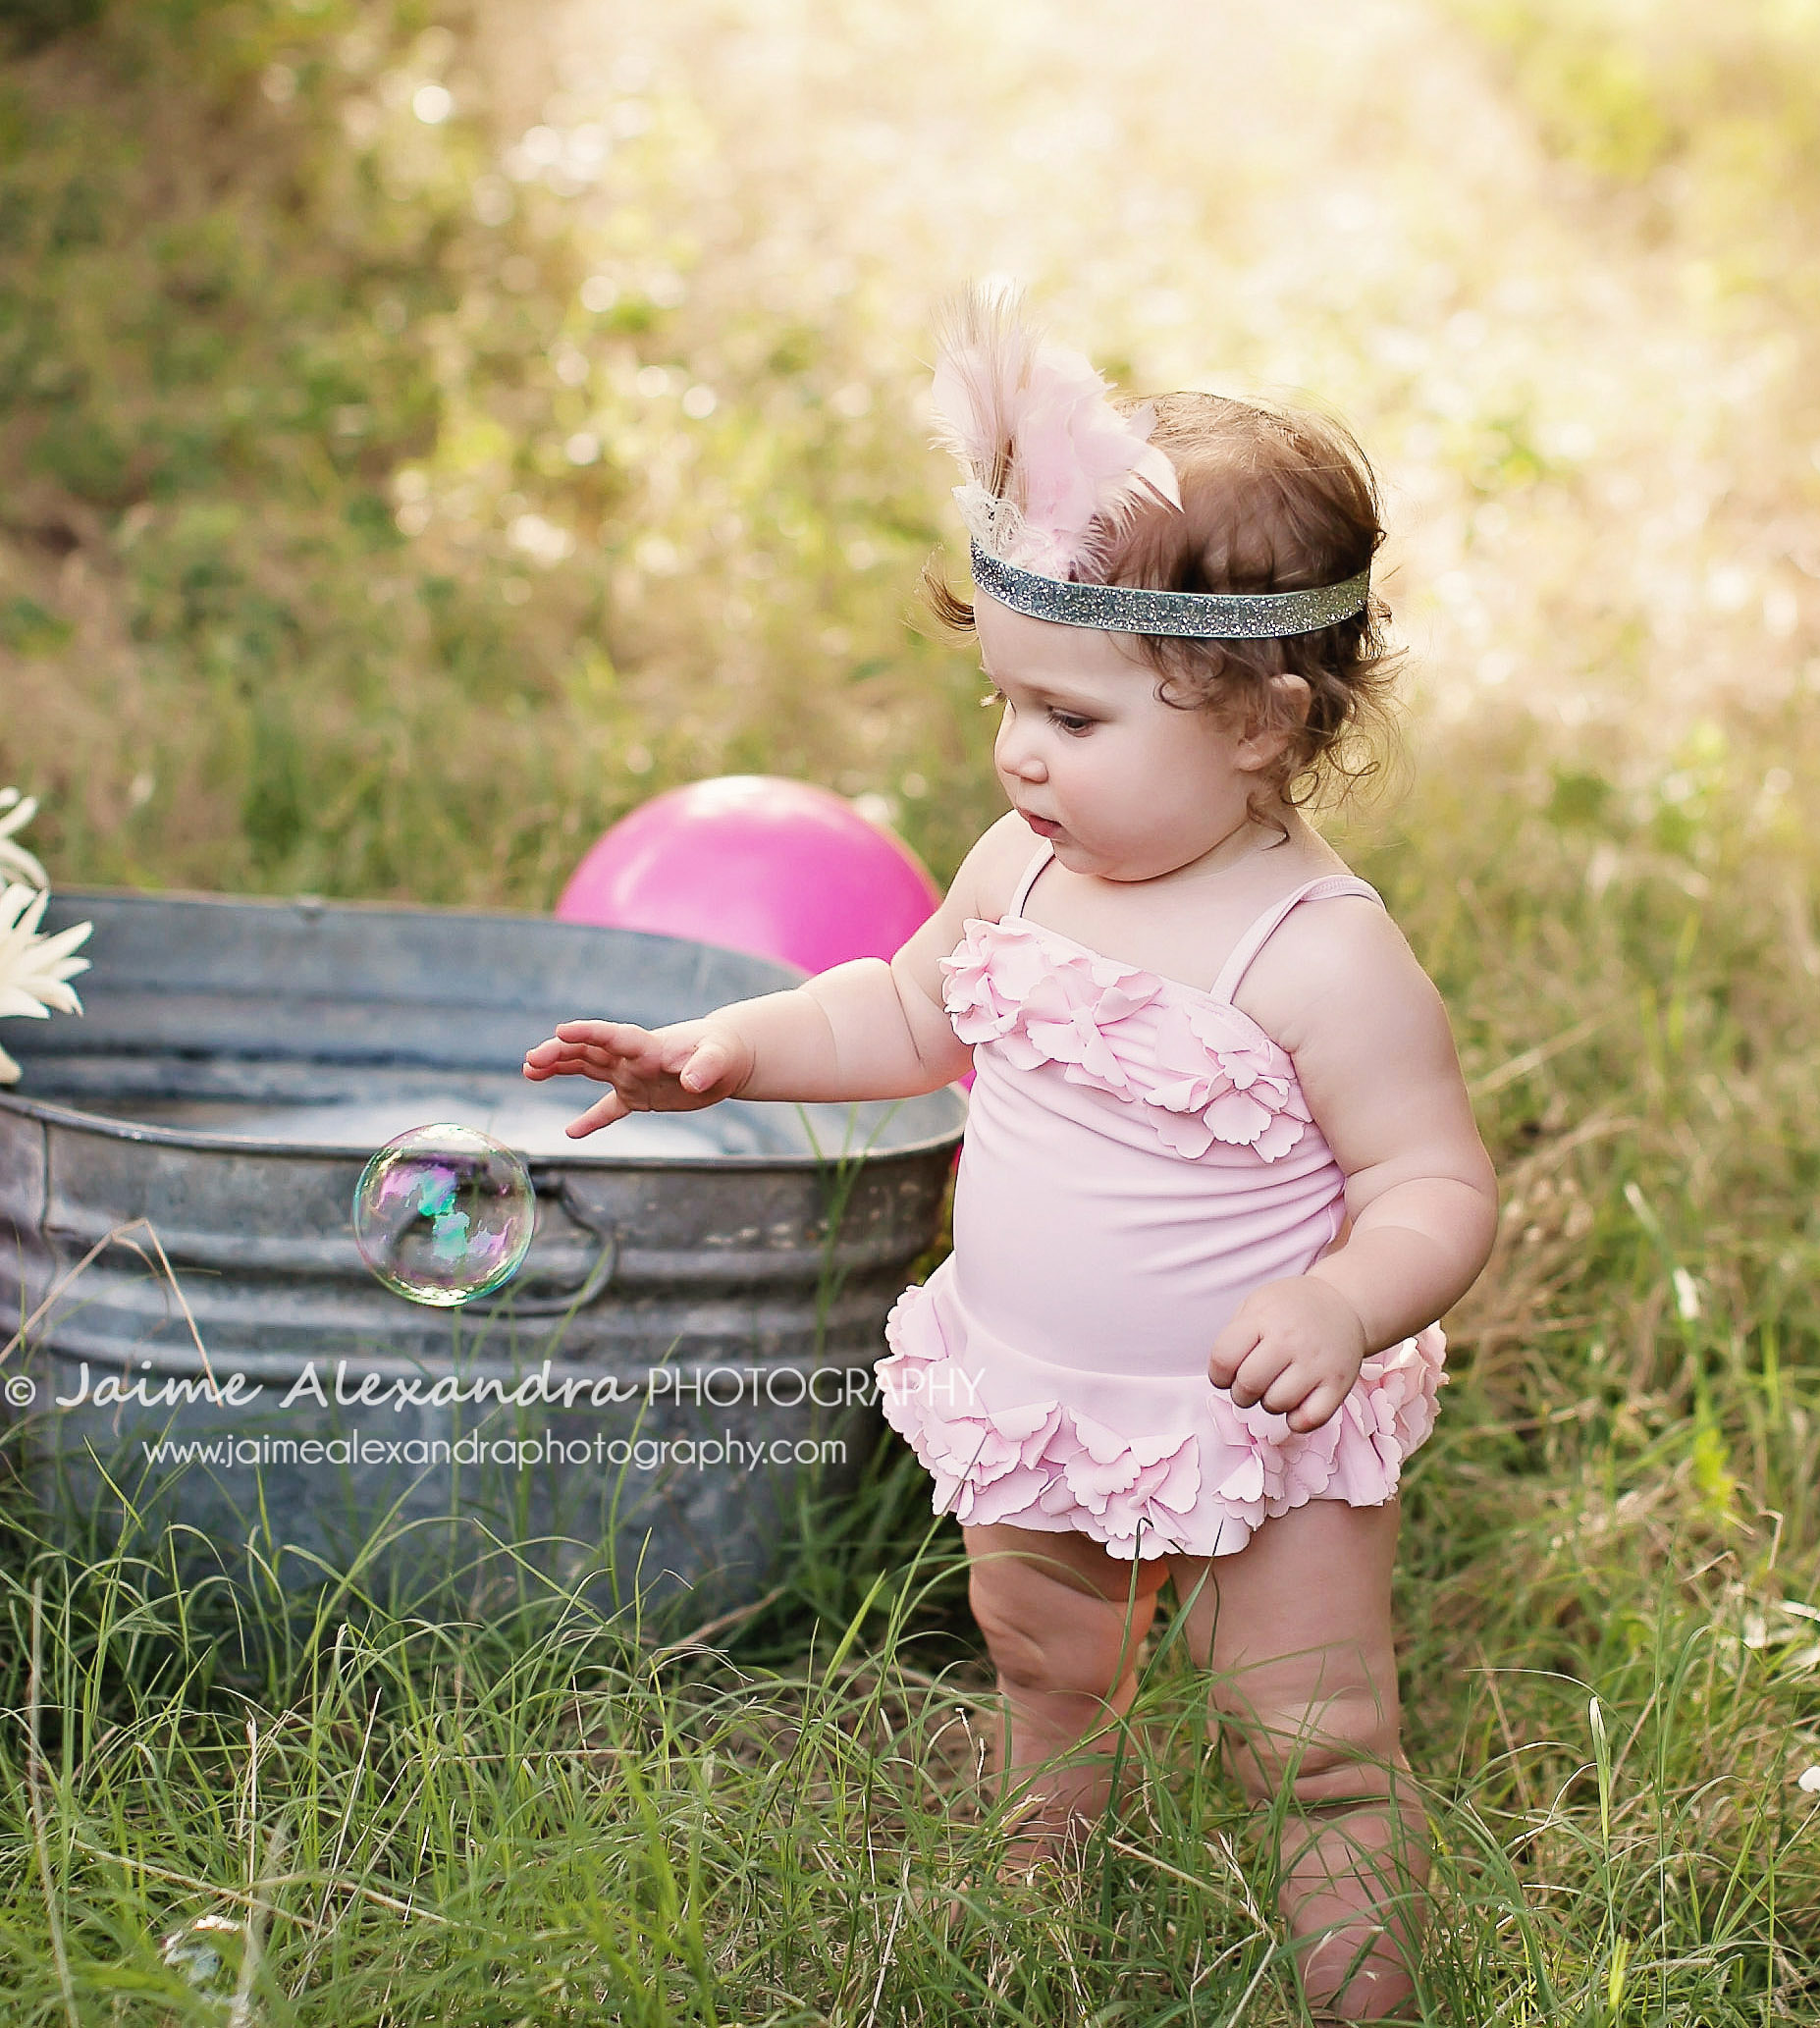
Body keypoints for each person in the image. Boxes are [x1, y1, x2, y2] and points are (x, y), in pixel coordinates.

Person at [522, 285, 1496, 2024]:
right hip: (1044, 1388)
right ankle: (1040, 1876)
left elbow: (1439, 1186)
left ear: (1261, 723)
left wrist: (1346, 1304)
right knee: (1045, 1654)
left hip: (1257, 1417)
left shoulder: (1318, 952)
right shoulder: (1021, 870)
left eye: (1073, 719)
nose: (1014, 753)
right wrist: (728, 1052)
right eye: (1005, 702)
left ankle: (1363, 1986)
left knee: (1315, 1736)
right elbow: (907, 1017)